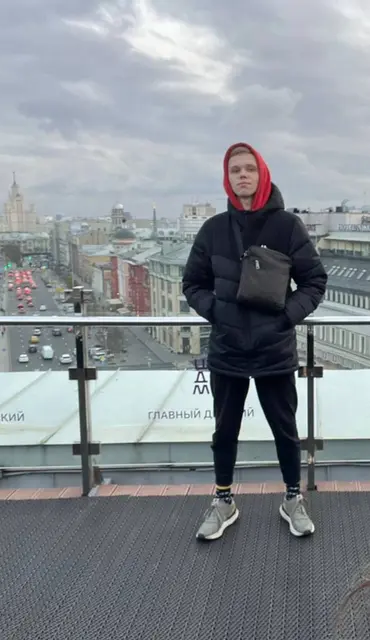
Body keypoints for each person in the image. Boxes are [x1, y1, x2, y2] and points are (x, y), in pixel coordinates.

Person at [182, 142, 327, 541]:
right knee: (224, 431)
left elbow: (314, 281)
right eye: (235, 170)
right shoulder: (213, 230)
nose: (242, 175)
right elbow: (192, 283)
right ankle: (224, 501)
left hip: (273, 348)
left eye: (249, 169)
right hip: (227, 348)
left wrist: (285, 317)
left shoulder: (287, 226)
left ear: (262, 174)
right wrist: (217, 312)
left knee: (285, 429)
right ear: (227, 179)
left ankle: (293, 498)